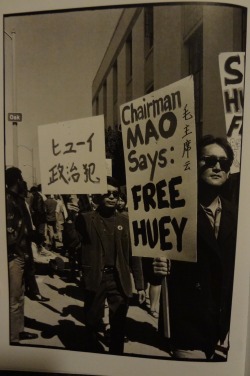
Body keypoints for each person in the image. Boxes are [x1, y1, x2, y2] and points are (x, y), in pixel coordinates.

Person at [153, 135, 238, 360]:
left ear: (229, 171)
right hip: (187, 327)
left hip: (225, 330)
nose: (217, 166)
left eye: (224, 162)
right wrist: (156, 265)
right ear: (193, 165)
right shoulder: (174, 211)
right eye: (209, 161)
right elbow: (152, 255)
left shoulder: (238, 215)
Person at [73, 176, 145, 355]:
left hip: (118, 279)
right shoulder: (86, 219)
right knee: (91, 320)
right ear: (98, 196)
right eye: (108, 193)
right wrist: (70, 218)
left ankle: (116, 357)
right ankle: (92, 355)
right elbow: (72, 243)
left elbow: (134, 255)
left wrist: (140, 285)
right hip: (96, 277)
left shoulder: (125, 221)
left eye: (115, 194)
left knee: (119, 324)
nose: (112, 197)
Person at [5, 167, 39, 344]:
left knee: (19, 295)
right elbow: (9, 231)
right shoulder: (7, 200)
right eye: (21, 178)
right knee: (13, 297)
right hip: (14, 254)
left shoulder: (18, 199)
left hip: (23, 253)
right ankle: (12, 337)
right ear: (17, 180)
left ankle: (18, 330)